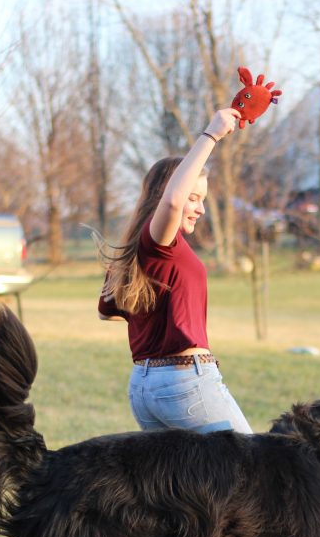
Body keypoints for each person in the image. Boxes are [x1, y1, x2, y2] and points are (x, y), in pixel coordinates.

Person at [97, 107, 252, 435]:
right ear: (168, 194)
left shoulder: (137, 252)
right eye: (193, 198)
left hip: (144, 385)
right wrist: (211, 134)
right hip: (184, 382)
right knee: (255, 474)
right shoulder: (160, 244)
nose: (200, 208)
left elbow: (108, 313)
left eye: (203, 199)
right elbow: (171, 204)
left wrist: (157, 318)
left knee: (182, 487)